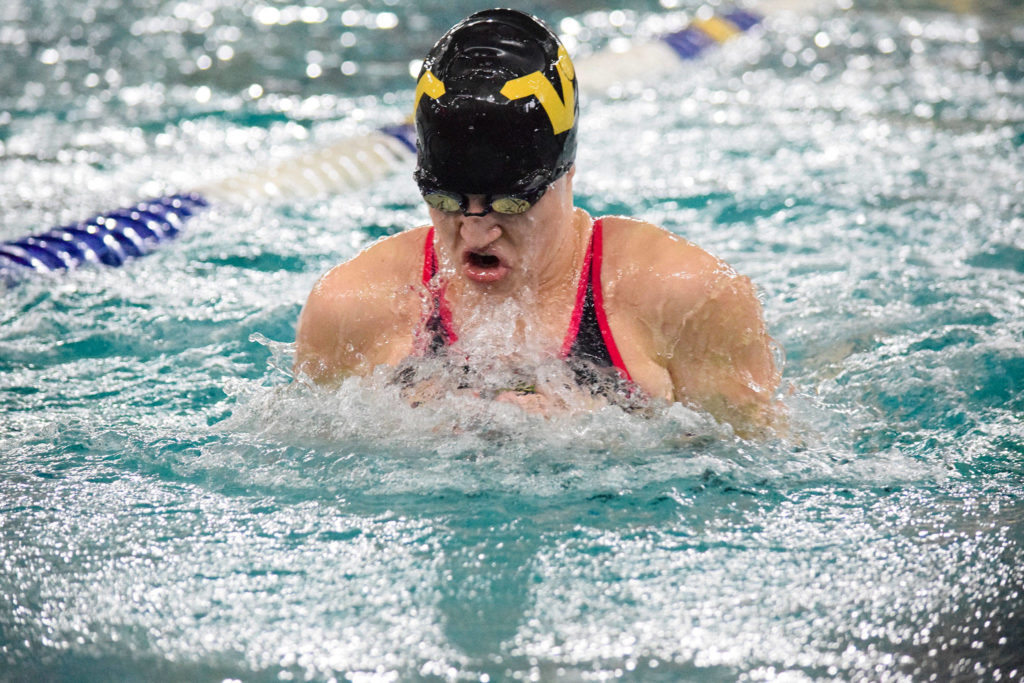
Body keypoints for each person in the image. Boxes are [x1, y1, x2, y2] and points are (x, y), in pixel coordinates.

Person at [294, 9, 781, 437]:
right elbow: (300, 462)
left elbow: (767, 464)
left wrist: (607, 441)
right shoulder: (351, 307)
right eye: (446, 200)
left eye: (510, 204)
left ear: (567, 173)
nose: (477, 233)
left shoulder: (684, 295)